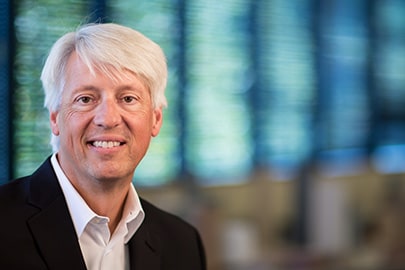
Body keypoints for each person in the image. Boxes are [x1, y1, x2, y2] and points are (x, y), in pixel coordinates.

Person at [0, 23, 206, 270]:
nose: (108, 119)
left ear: (156, 119)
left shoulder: (183, 244)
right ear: (54, 118)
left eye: (128, 98)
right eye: (85, 99)